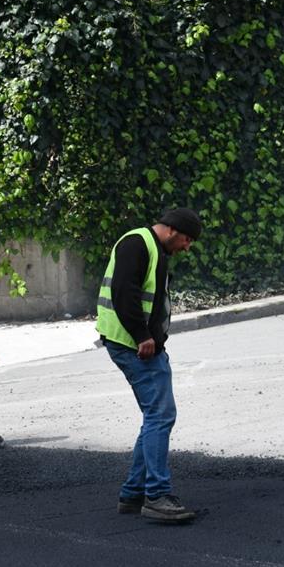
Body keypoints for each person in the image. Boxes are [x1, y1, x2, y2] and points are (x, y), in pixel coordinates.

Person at [96, 208, 203, 522]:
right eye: (186, 239)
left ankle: (133, 493)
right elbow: (123, 292)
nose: (187, 247)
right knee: (160, 414)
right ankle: (156, 495)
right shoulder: (137, 244)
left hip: (137, 343)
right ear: (172, 230)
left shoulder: (152, 247)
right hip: (133, 344)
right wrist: (142, 336)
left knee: (156, 414)